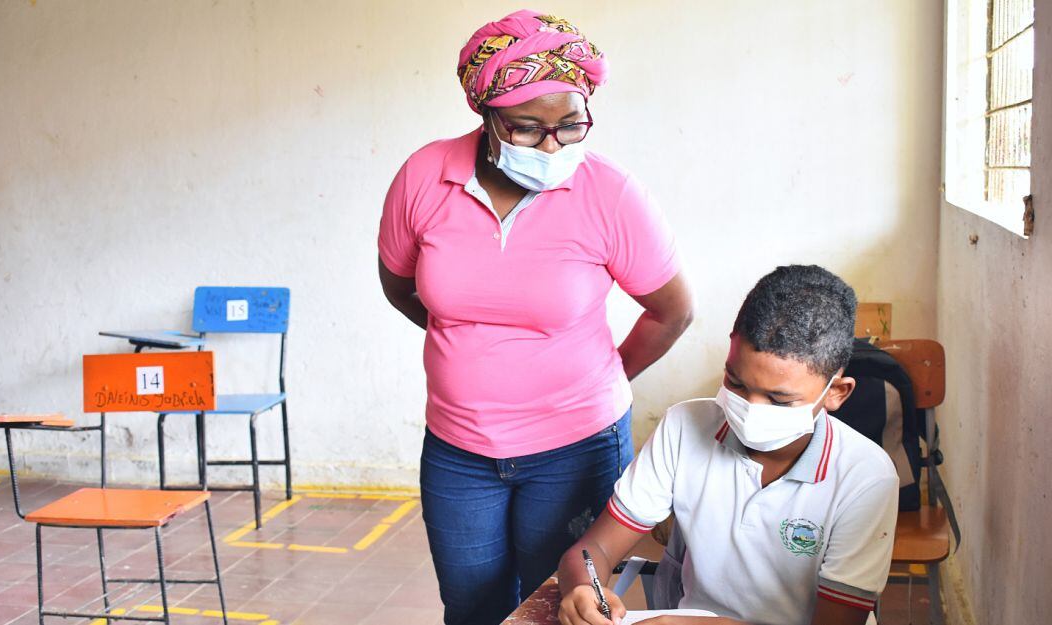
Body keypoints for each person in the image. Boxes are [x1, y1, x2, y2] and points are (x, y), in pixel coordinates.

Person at [377, 9, 694, 625]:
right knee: (472, 609)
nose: (552, 146)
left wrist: (605, 371)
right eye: (527, 128)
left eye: (570, 126)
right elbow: (399, 284)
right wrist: (468, 345)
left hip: (575, 448)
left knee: (560, 607)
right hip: (458, 450)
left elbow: (672, 311)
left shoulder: (610, 193)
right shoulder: (424, 176)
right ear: (487, 115)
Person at [557, 265, 899, 625]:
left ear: (836, 393)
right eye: (735, 383)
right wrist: (581, 590)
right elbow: (590, 551)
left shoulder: (864, 476)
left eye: (780, 401)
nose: (751, 408)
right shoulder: (683, 427)